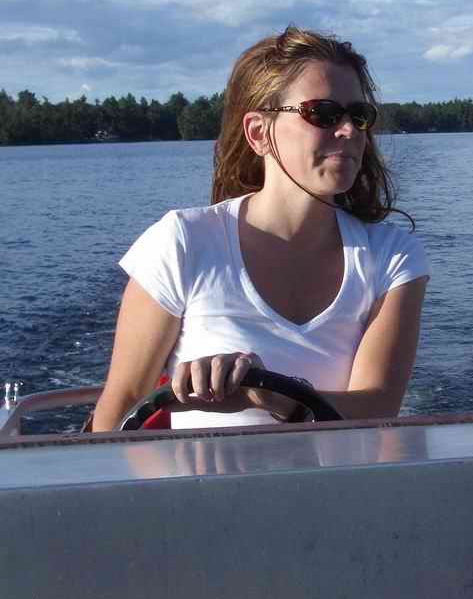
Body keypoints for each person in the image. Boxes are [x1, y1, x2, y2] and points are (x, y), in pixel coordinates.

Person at [92, 27, 429, 431]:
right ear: (258, 133)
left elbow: (377, 408)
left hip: (341, 475)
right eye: (322, 113)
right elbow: (122, 405)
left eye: (359, 116)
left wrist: (266, 394)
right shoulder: (182, 243)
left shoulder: (392, 258)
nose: (349, 130)